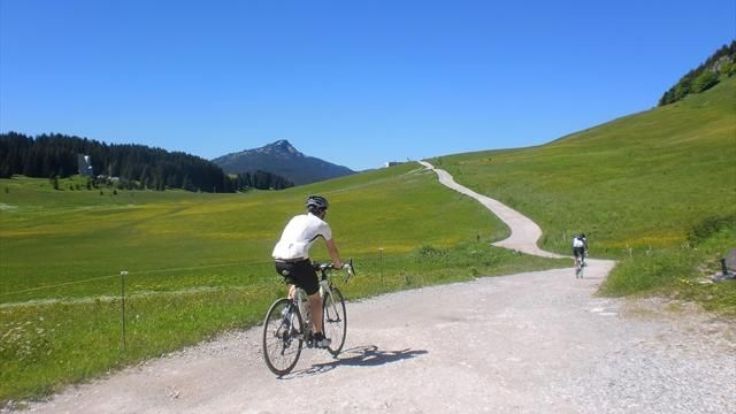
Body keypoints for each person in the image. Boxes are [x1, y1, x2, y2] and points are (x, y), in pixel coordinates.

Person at [272, 195, 344, 348]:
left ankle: (288, 312)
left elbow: (296, 242)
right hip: (298, 261)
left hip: (279, 260)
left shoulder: (296, 219)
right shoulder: (323, 225)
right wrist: (338, 264)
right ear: (322, 211)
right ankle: (318, 336)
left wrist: (309, 263)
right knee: (315, 299)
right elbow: (332, 250)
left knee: (295, 283)